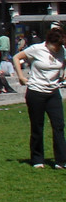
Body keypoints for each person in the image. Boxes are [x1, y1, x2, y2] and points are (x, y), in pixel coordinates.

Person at [13, 27, 66, 169]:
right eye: (55, 46)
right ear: (48, 43)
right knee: (37, 125)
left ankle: (61, 160)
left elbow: (63, 62)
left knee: (59, 125)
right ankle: (37, 158)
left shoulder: (62, 51)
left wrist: (63, 72)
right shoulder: (36, 49)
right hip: (36, 91)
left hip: (53, 92)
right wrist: (21, 76)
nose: (57, 49)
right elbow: (16, 57)